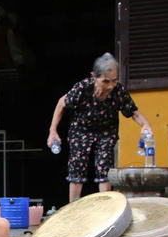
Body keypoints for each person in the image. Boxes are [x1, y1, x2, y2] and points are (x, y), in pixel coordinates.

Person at [46, 52, 154, 202]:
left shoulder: (118, 91)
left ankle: (105, 205)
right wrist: (53, 131)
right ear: (94, 77)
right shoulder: (82, 88)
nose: (111, 86)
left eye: (114, 80)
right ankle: (73, 207)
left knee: (105, 167)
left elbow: (133, 113)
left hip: (106, 132)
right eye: (105, 81)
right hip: (81, 130)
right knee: (77, 167)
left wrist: (146, 125)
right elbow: (61, 103)